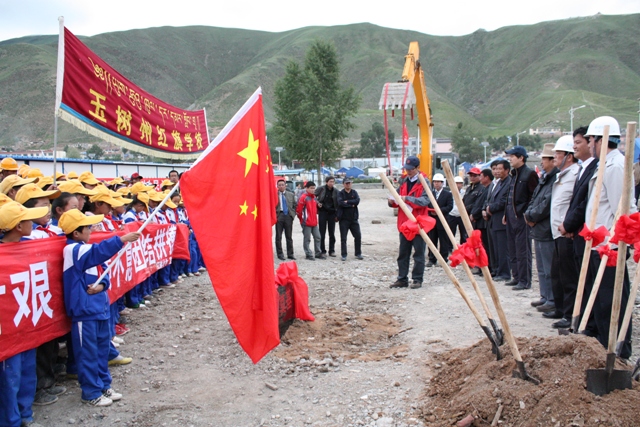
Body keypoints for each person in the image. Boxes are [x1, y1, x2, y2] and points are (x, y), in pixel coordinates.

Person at [59, 209, 140, 406]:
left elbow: (105, 272)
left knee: (102, 351)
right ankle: (91, 392)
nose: (91, 230)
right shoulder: (73, 250)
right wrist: (121, 239)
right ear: (76, 233)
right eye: (87, 227)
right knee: (87, 353)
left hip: (99, 308)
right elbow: (98, 252)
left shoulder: (85, 249)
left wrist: (102, 286)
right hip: (84, 312)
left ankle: (104, 385)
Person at [584, 116, 635, 359]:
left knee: (612, 301)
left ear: (600, 140)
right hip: (598, 246)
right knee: (601, 302)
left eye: (590, 140)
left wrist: (617, 244)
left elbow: (622, 210)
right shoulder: (604, 164)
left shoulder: (615, 167)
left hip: (610, 249)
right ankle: (603, 346)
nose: (588, 145)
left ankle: (618, 352)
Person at [0, 201, 50, 427]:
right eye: (28, 220)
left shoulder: (30, 246)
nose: (33, 223)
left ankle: (25, 413)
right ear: (18, 226)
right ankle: (10, 421)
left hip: (27, 321)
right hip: (8, 328)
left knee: (27, 372)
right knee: (10, 377)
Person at [555, 126, 599, 328]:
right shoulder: (583, 169)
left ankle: (586, 322)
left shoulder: (594, 168)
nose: (576, 146)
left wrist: (568, 224)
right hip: (571, 231)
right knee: (571, 276)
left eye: (579, 142)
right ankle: (579, 319)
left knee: (580, 280)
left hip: (584, 233)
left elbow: (583, 203)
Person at [547, 134, 580, 329]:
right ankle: (560, 308)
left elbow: (575, 204)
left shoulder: (575, 175)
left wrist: (569, 225)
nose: (555, 158)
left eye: (558, 154)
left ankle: (569, 314)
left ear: (569, 156)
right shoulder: (562, 175)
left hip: (567, 233)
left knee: (569, 277)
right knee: (557, 274)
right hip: (557, 232)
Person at [524, 144, 558, 311]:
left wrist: (532, 216)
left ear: (552, 160)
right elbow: (534, 199)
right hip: (538, 229)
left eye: (544, 159)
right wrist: (528, 214)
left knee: (550, 268)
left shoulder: (555, 179)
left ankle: (552, 299)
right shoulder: (544, 178)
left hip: (546, 228)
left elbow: (547, 204)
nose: (542, 162)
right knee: (542, 268)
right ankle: (545, 296)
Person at [388, 156, 430, 289]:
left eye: (411, 169)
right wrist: (392, 202)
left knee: (418, 253)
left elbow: (425, 201)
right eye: (407, 169)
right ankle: (402, 279)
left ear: (417, 168)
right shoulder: (403, 181)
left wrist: (407, 199)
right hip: (404, 223)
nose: (408, 171)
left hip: (418, 223)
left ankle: (417, 279)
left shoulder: (424, 182)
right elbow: (397, 197)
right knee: (403, 253)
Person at [504, 145, 538, 290]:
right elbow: (509, 197)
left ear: (521, 158)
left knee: (523, 250)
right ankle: (516, 276)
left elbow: (534, 197)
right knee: (512, 248)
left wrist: (527, 214)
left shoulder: (530, 174)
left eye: (512, 156)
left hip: (522, 217)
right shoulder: (513, 175)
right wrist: (506, 214)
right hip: (511, 215)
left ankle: (524, 280)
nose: (510, 159)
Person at [484, 159, 512, 281]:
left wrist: (490, 208)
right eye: (495, 169)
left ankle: (504, 273)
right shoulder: (499, 183)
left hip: (501, 220)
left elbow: (504, 201)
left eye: (500, 169)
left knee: (502, 249)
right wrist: (486, 209)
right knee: (495, 248)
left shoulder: (509, 182)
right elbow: (490, 199)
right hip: (493, 220)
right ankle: (497, 270)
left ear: (507, 170)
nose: (497, 171)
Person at [426, 173, 453, 266]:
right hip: (432, 221)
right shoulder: (430, 194)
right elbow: (427, 204)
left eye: (438, 182)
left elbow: (449, 206)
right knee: (432, 240)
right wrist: (431, 212)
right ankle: (432, 259)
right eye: (435, 182)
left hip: (443, 220)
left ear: (442, 183)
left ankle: (443, 259)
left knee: (443, 241)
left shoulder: (447, 194)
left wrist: (439, 211)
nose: (436, 183)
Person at [470, 168, 493, 273]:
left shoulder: (488, 189)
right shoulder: (483, 189)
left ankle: (487, 267)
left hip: (482, 222)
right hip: (477, 221)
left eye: (480, 176)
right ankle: (481, 266)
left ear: (486, 177)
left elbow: (481, 205)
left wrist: (475, 214)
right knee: (480, 245)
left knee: (485, 246)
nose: (479, 178)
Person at [336, 178, 362, 261]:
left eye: (349, 183)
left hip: (354, 218)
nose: (348, 184)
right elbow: (340, 203)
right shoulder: (340, 193)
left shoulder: (354, 192)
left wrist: (347, 202)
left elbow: (357, 201)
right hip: (344, 219)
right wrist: (351, 205)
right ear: (343, 184)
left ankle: (358, 253)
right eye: (346, 183)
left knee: (358, 236)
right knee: (343, 238)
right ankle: (344, 254)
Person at [296, 181, 322, 261]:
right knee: (307, 239)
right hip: (306, 222)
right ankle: (308, 254)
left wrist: (318, 204)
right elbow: (299, 211)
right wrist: (303, 220)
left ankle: (318, 253)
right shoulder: (303, 197)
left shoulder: (314, 197)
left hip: (314, 222)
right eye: (311, 188)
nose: (313, 190)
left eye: (314, 188)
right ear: (306, 188)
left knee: (318, 237)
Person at [315, 176, 338, 257]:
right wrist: (317, 203)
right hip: (323, 212)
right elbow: (313, 196)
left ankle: (331, 250)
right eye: (330, 181)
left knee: (332, 233)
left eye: (333, 181)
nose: (332, 183)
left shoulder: (336, 191)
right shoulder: (321, 189)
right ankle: (322, 250)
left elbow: (337, 202)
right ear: (326, 182)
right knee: (322, 232)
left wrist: (337, 214)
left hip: (332, 213)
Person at [275, 180, 297, 260]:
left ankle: (290, 254)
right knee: (278, 236)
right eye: (279, 185)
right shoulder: (275, 195)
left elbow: (295, 205)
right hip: (279, 215)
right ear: (277, 186)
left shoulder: (291, 195)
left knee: (289, 236)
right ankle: (280, 254)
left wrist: (292, 215)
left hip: (288, 215)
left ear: (285, 185)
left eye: (282, 185)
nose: (281, 186)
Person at [448, 176, 466, 243]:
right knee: (451, 233)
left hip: (462, 216)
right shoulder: (449, 193)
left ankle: (463, 246)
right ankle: (450, 246)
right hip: (452, 215)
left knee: (463, 234)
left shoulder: (465, 193)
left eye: (459, 183)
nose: (458, 185)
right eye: (456, 183)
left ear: (462, 184)